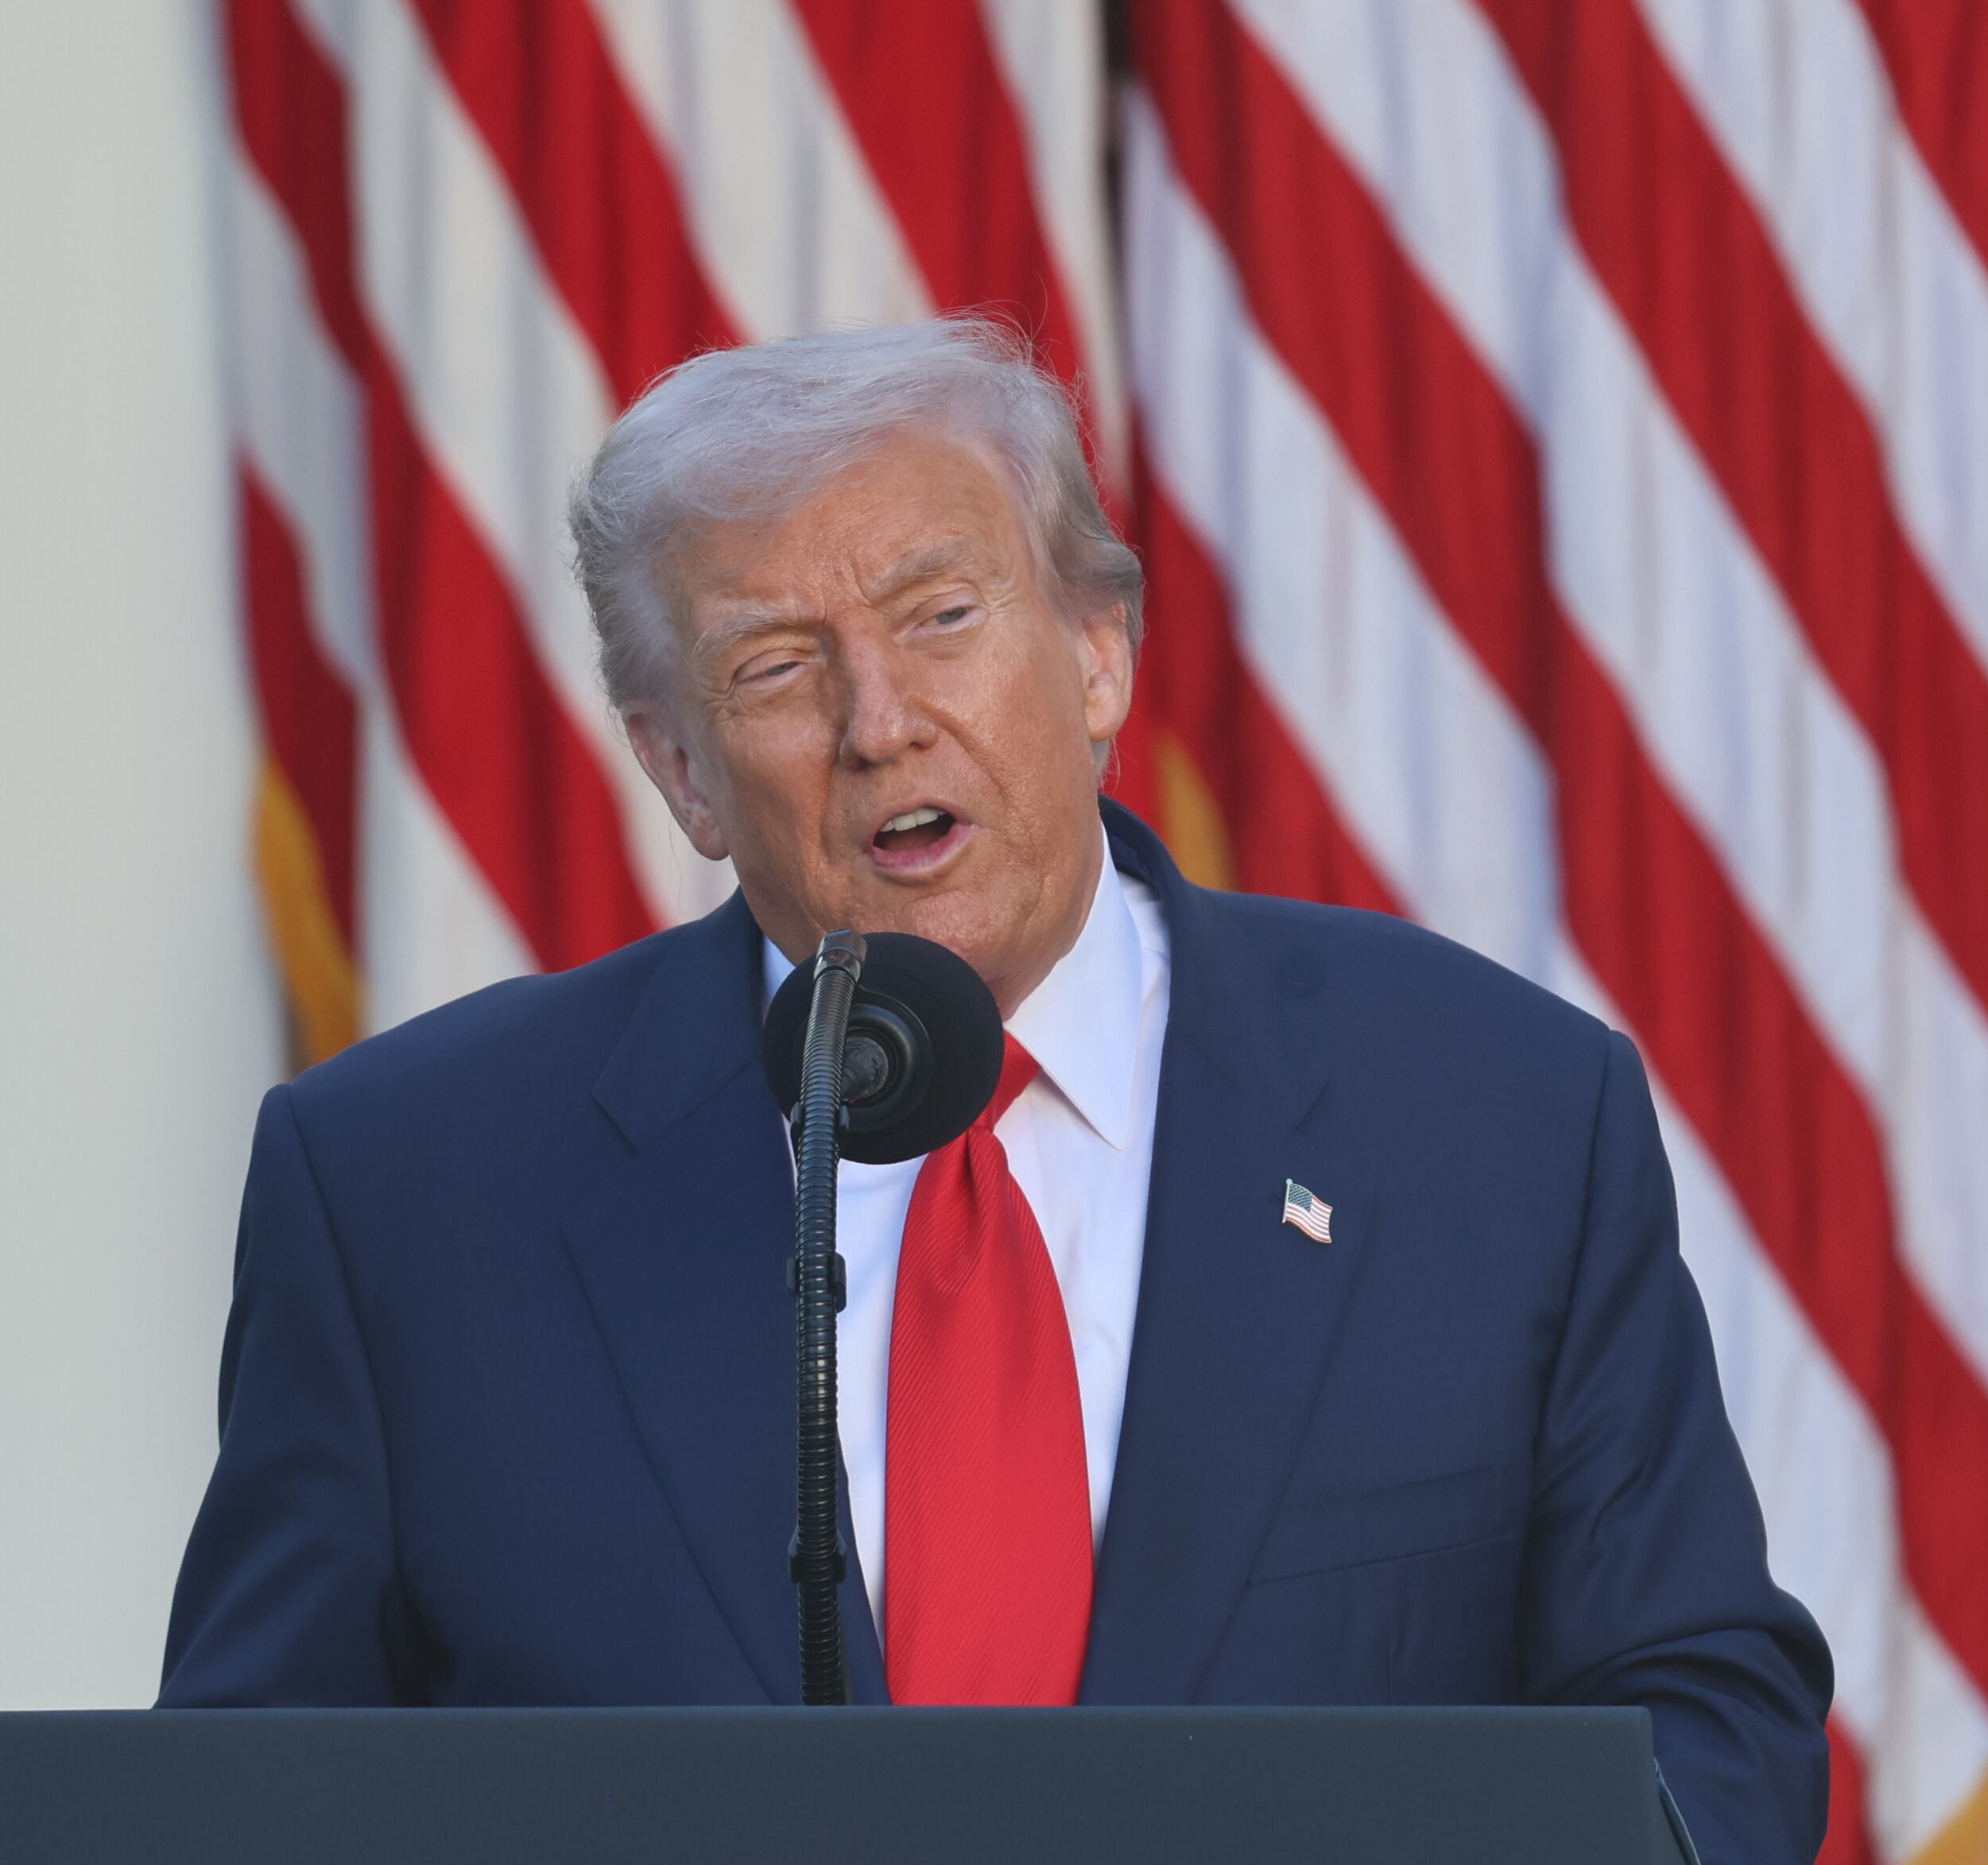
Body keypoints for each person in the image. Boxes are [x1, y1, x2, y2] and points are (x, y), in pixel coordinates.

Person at [161, 318, 1831, 1862]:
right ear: (680, 770)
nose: (880, 722)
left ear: (1096, 656)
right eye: (775, 670)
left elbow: (1699, 1715)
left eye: (940, 616)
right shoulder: (405, 1192)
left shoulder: (1495, 1118)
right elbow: (250, 1797)